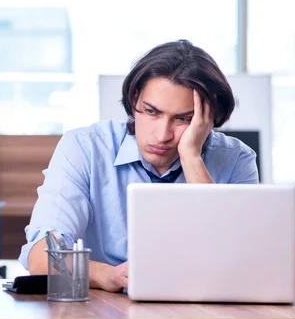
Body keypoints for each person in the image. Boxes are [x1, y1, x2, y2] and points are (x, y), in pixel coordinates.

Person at [18, 39, 259, 292]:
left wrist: (191, 157)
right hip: (104, 316)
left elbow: (241, 263)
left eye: (183, 119)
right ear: (135, 100)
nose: (162, 134)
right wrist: (106, 276)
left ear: (208, 119)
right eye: (152, 112)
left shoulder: (236, 160)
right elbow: (42, 258)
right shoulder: (85, 148)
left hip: (203, 315)